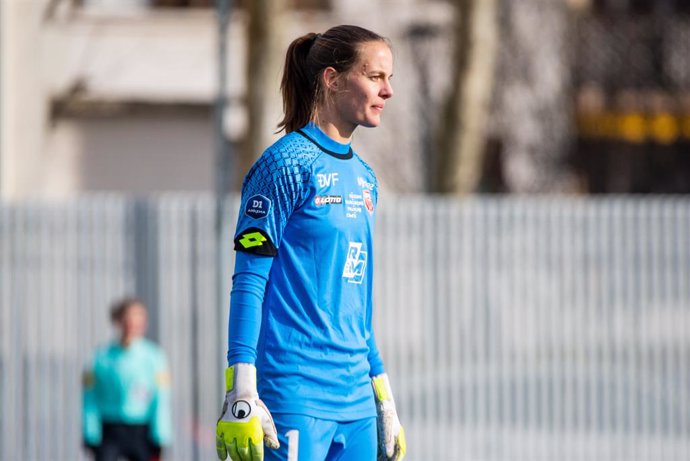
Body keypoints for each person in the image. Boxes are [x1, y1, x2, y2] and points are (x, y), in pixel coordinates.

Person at [215, 25, 406, 461]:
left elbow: (354, 303)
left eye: (389, 78)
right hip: (294, 397)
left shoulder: (367, 179)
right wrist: (241, 388)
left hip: (357, 403)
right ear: (332, 79)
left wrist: (384, 395)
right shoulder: (284, 165)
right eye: (375, 76)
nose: (388, 90)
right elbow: (248, 281)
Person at [83, 296, 172, 461]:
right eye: (128, 319)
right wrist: (90, 432)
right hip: (109, 430)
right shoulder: (99, 358)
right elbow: (90, 398)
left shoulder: (154, 358)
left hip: (142, 431)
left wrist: (161, 435)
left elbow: (161, 398)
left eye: (138, 320)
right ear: (118, 320)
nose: (132, 325)